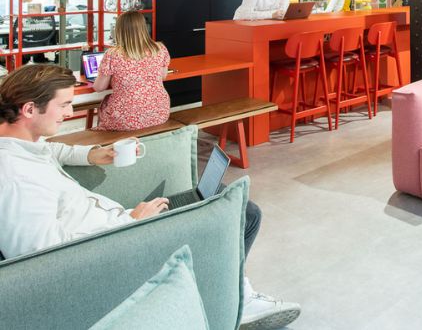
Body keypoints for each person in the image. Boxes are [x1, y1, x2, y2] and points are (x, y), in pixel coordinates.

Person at [0, 64, 301, 329]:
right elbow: (41, 256)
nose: (70, 113)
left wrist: (94, 153)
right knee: (242, 215)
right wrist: (129, 224)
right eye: (64, 105)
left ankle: (230, 290)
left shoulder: (24, 144)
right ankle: (233, 299)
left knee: (227, 200)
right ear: (29, 109)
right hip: (119, 241)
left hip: (123, 222)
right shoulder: (13, 177)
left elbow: (52, 150)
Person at [92, 11, 171, 131]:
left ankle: (103, 141)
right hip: (159, 112)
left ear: (119, 31)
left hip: (126, 119)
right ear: (144, 28)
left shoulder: (113, 55)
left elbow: (99, 87)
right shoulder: (160, 49)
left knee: (104, 105)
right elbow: (162, 76)